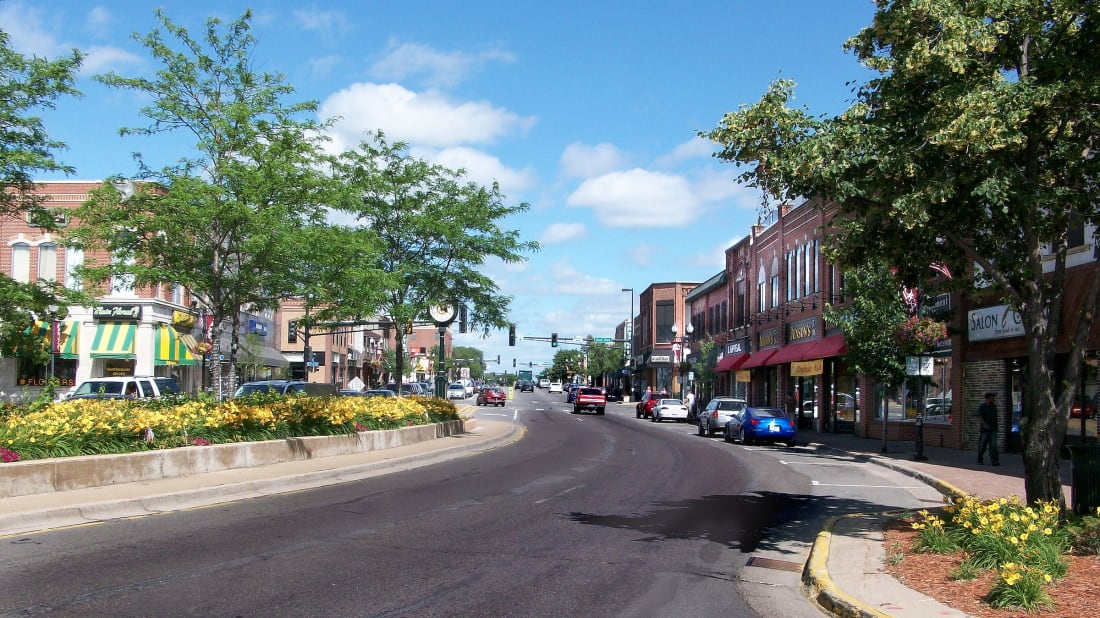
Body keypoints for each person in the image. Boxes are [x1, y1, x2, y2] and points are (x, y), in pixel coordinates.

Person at [976, 392, 1000, 466]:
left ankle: (994, 461)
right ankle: (980, 459)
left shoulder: (994, 407)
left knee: (993, 446)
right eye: (992, 398)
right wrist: (985, 424)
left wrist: (996, 427)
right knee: (982, 446)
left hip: (993, 430)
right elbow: (980, 417)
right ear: (988, 399)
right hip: (985, 430)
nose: (993, 399)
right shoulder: (982, 407)